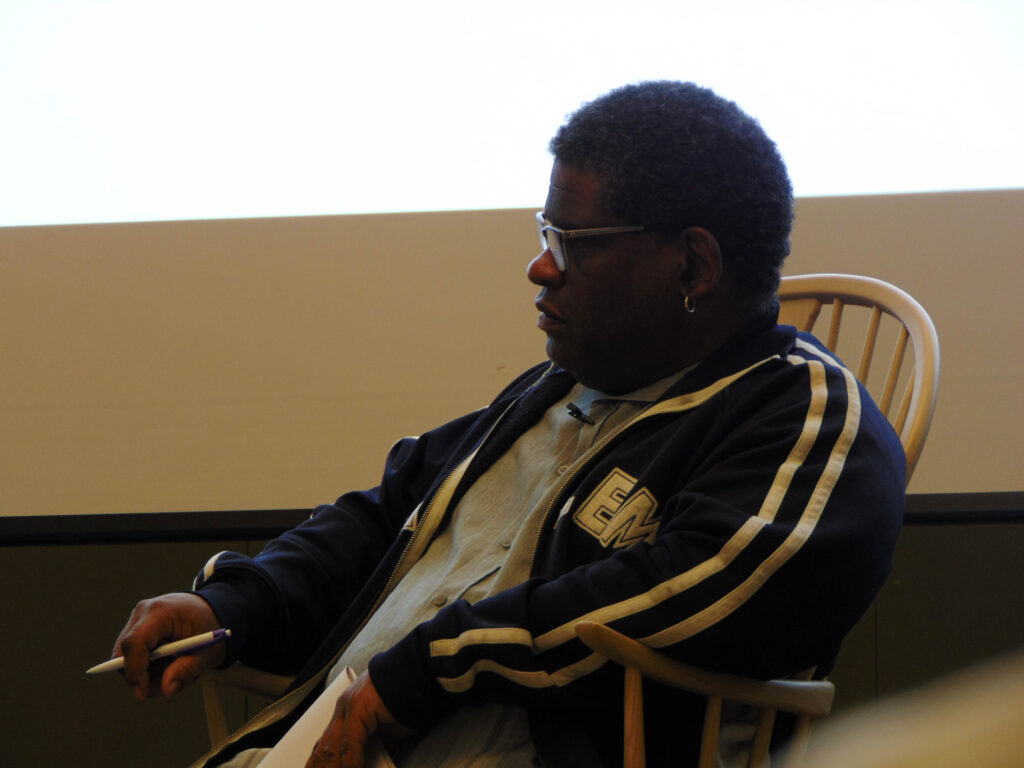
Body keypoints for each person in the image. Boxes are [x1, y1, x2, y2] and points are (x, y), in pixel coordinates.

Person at [110, 81, 905, 768]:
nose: (541, 266)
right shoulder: (555, 392)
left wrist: (416, 674)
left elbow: (685, 594)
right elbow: (388, 520)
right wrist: (233, 607)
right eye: (543, 234)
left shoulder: (799, 414)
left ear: (692, 266)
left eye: (571, 242)